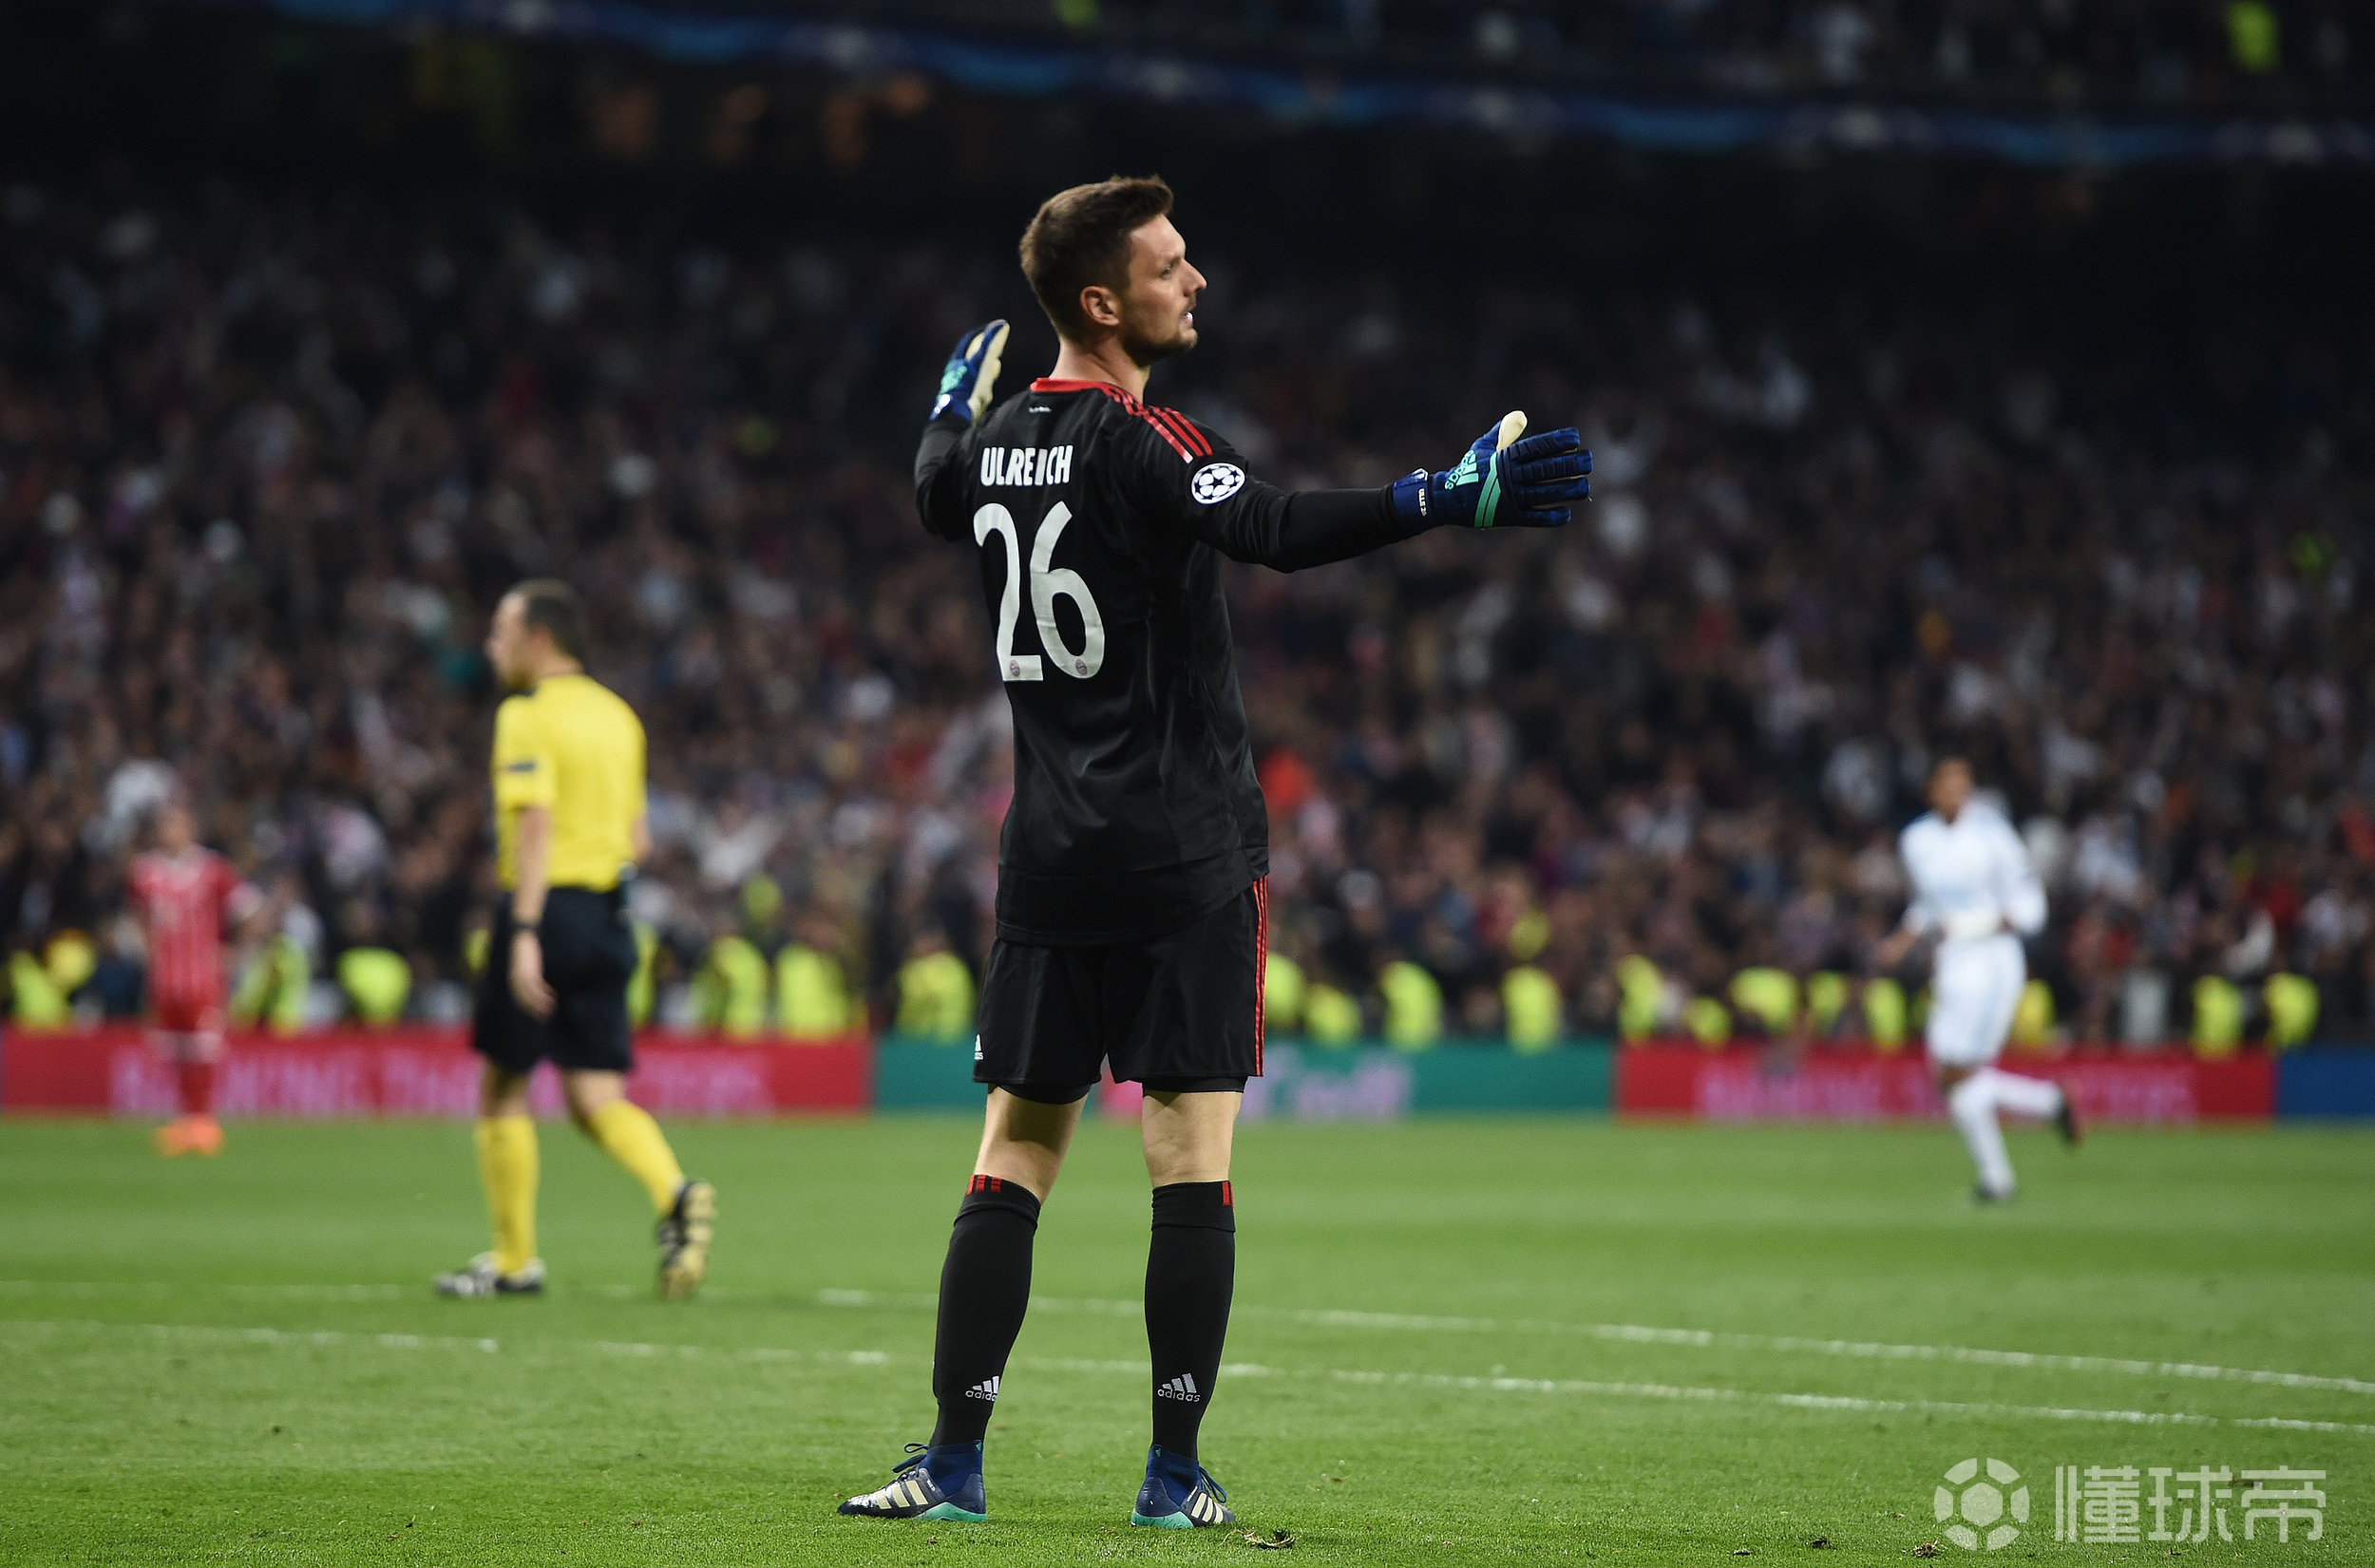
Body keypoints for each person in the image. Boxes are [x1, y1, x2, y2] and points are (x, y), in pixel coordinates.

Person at [836, 176, 1588, 1529]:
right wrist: (1436, 495)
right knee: (1187, 1155)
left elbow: (936, 488)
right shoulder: (1144, 438)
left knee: (1013, 1152)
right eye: (1169, 266)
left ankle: (949, 1460)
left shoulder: (996, 441)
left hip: (1050, 854)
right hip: (1183, 854)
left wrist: (949, 402)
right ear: (1101, 302)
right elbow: (1269, 527)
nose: (1196, 281)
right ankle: (1173, 1474)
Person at [434, 580, 717, 1299]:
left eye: (501, 632)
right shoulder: (619, 716)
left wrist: (526, 930)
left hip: (546, 908)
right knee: (595, 1096)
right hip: (609, 914)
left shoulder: (525, 715)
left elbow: (535, 823)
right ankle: (676, 1192)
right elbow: (638, 838)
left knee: (503, 1087)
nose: (491, 646)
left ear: (540, 639)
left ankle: (514, 1261)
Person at [1874, 758, 2079, 1201]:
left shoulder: (1993, 835)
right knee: (1951, 1072)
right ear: (1931, 791)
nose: (1955, 794)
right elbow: (1928, 903)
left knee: (1955, 1071)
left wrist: (2001, 921)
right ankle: (2041, 1114)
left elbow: (2028, 899)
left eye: (1962, 786)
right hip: (1952, 960)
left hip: (1992, 959)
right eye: (1946, 786)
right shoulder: (1917, 840)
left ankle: (2006, 1164)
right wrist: (1902, 941)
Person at [126, 801, 259, 1157]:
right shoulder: (145, 872)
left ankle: (204, 1122)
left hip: (203, 980)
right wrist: (146, 951)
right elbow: (137, 916)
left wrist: (235, 953)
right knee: (174, 1050)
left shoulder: (213, 870)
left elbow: (250, 911)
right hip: (165, 980)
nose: (168, 831)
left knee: (202, 1049)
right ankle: (186, 1121)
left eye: (175, 824)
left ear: (190, 828)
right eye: (163, 824)